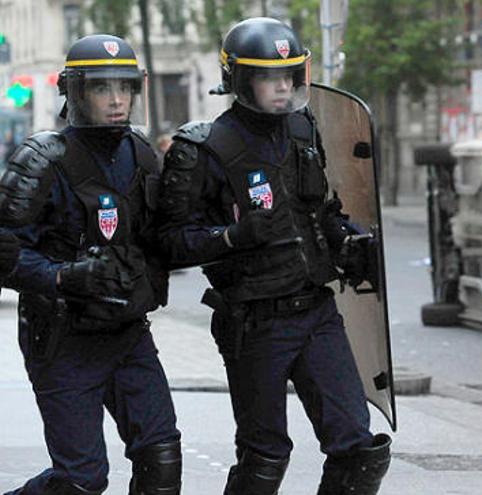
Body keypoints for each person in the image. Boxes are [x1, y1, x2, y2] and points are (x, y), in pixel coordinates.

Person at [158, 17, 390, 495]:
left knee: (360, 451)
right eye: (270, 77)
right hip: (255, 321)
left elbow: (321, 209)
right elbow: (169, 242)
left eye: (290, 76)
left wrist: (347, 239)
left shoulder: (303, 128)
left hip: (318, 311)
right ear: (241, 80)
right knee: (265, 456)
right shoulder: (201, 148)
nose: (283, 88)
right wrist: (231, 237)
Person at [1, 34, 181, 495]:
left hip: (126, 331)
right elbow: (4, 252)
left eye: (125, 87)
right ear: (76, 93)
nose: (117, 99)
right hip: (62, 337)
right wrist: (62, 276)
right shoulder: (43, 159)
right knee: (81, 481)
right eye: (102, 88)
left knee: (161, 460)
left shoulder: (141, 153)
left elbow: (162, 237)